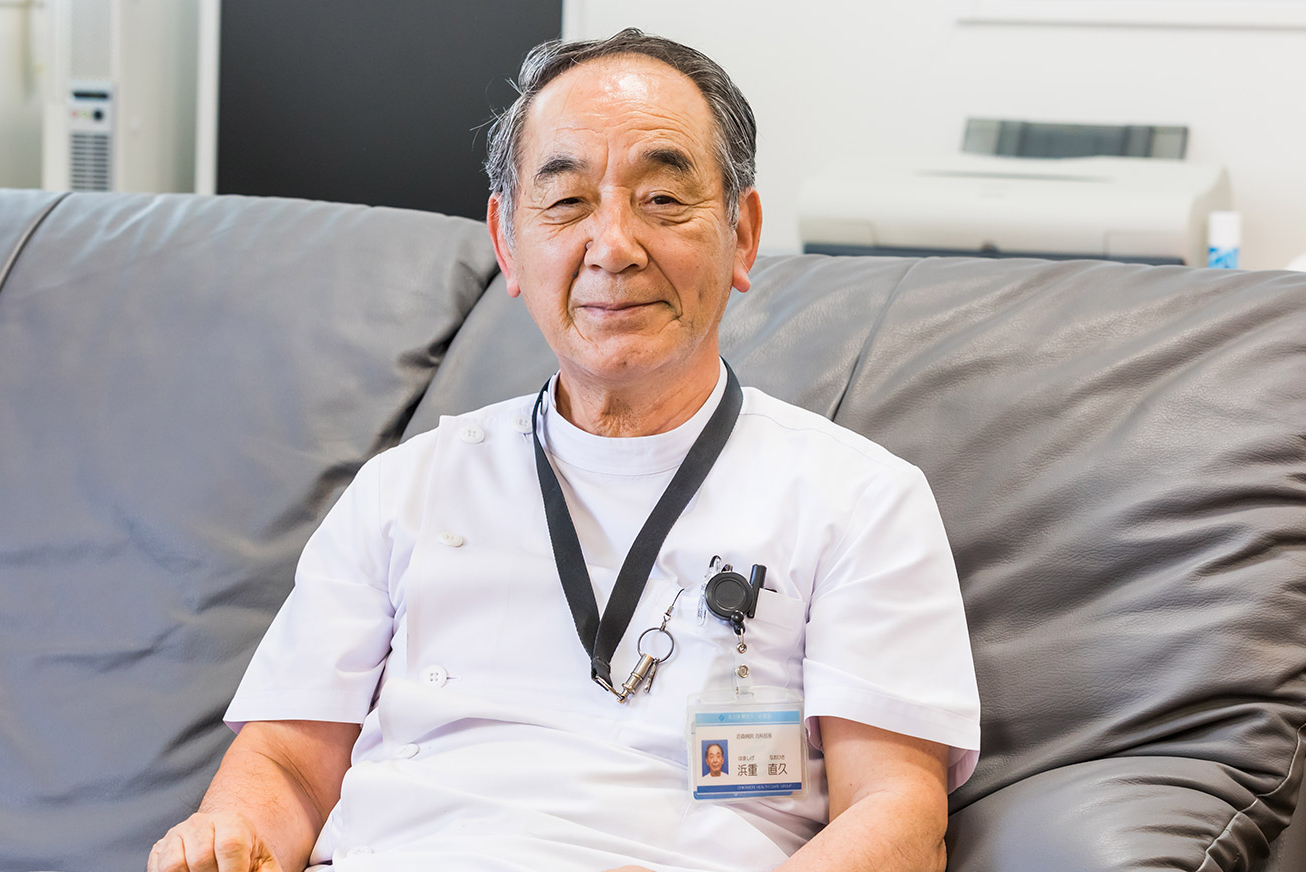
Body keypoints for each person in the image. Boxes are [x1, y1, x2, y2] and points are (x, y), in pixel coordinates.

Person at [149, 28, 979, 872]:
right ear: (508, 243)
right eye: (567, 202)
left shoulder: (859, 499)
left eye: (663, 199)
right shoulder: (405, 489)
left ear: (743, 234)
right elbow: (287, 768)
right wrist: (229, 836)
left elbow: (896, 815)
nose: (613, 247)